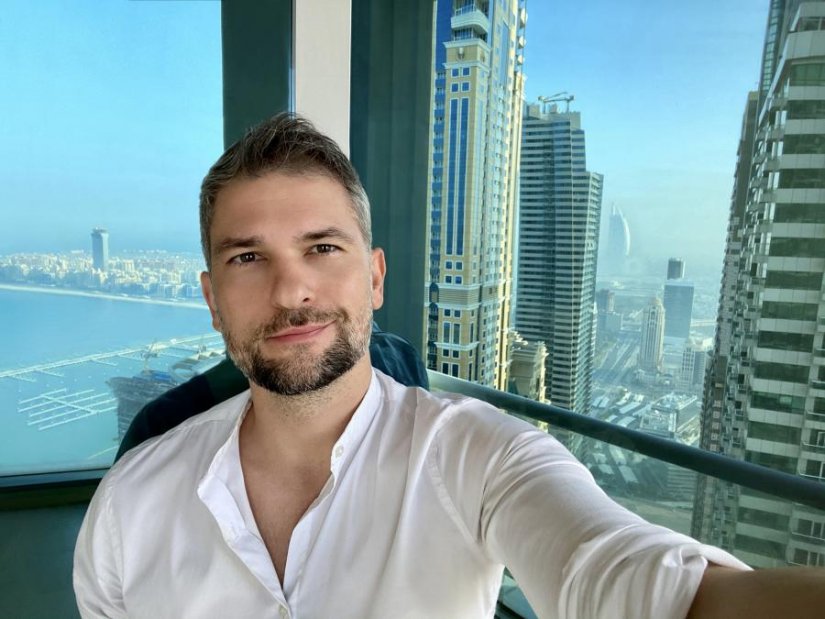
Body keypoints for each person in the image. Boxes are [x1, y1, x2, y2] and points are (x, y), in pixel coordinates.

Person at [74, 113, 823, 619]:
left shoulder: (480, 456)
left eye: (322, 248)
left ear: (374, 278)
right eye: (247, 257)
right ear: (212, 299)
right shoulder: (130, 504)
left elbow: (625, 576)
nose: (291, 289)